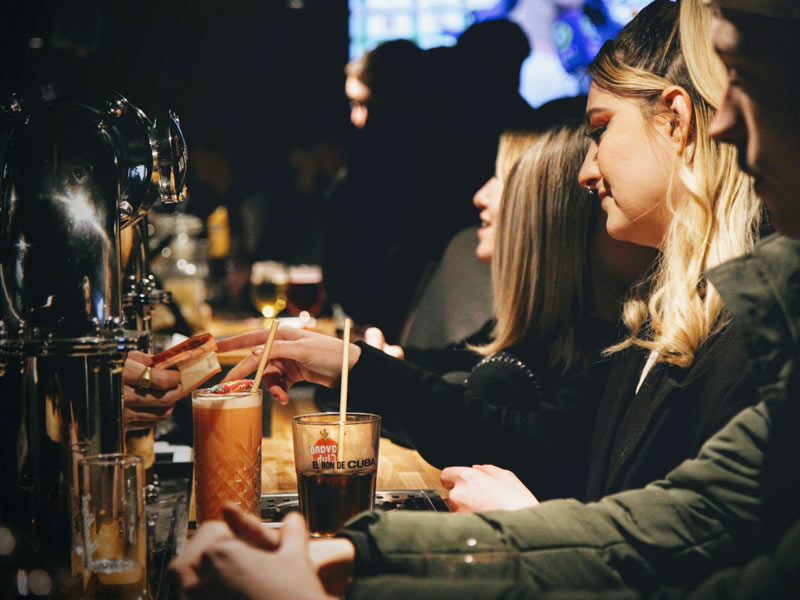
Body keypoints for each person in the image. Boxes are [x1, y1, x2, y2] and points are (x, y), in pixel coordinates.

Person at [171, 0, 800, 597]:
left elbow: (646, 556)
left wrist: (515, 527)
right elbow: (623, 522)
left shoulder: (749, 329)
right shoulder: (672, 316)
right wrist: (359, 553)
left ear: (675, 120)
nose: (585, 171)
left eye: (599, 130)